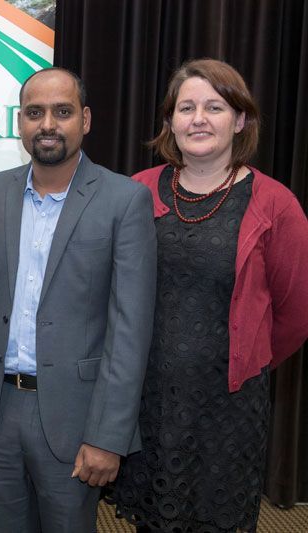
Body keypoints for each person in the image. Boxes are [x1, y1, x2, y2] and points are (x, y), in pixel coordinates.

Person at [0, 67, 158, 531]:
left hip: (75, 419)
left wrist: (108, 435)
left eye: (62, 112)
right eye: (34, 112)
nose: (47, 124)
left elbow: (131, 330)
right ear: (19, 123)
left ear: (85, 119)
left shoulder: (124, 201)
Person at [113, 58, 308, 533]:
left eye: (214, 106)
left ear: (240, 119)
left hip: (228, 407)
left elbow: (294, 315)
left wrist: (243, 360)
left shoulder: (275, 204)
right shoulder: (137, 190)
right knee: (151, 521)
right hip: (148, 400)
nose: (198, 118)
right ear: (170, 122)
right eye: (186, 108)